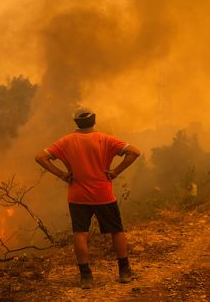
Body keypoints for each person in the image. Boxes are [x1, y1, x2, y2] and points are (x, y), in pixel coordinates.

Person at [35, 107, 140, 289]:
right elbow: (135, 152)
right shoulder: (106, 139)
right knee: (116, 230)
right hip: (103, 195)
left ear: (76, 122)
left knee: (80, 233)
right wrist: (115, 171)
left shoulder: (66, 141)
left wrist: (61, 174)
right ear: (94, 120)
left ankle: (86, 276)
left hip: (77, 196)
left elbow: (40, 157)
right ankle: (124, 271)